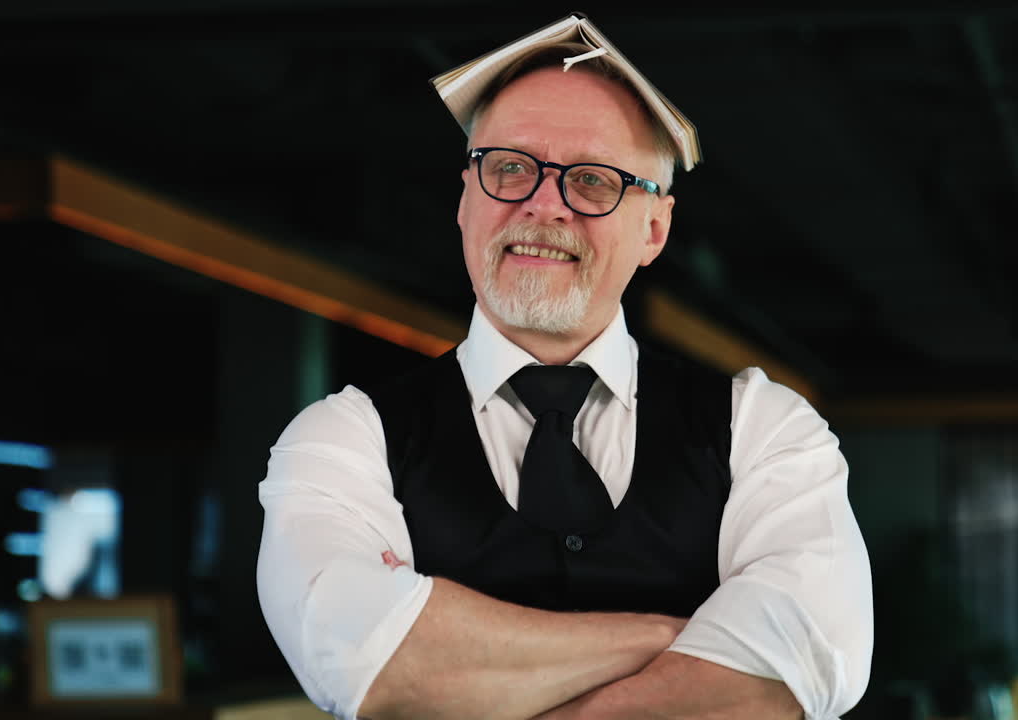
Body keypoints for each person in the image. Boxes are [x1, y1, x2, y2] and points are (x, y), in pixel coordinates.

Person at [256, 15, 872, 720]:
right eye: (509, 167)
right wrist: (678, 640)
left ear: (654, 230)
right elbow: (372, 666)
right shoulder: (342, 438)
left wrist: (467, 661)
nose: (542, 205)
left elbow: (817, 656)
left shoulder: (765, 429)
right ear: (465, 200)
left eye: (591, 179)